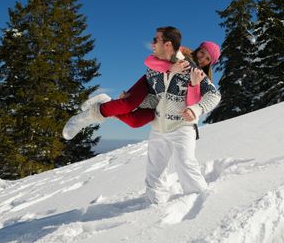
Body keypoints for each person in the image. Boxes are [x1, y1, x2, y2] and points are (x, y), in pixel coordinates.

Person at [63, 27, 221, 204]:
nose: (203, 59)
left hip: (182, 127)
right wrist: (138, 93)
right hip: (159, 124)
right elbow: (152, 80)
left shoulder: (198, 75)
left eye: (208, 59)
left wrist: (197, 108)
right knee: (154, 168)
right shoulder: (169, 63)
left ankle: (201, 203)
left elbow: (214, 95)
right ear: (198, 49)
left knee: (185, 163)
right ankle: (155, 204)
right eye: (203, 53)